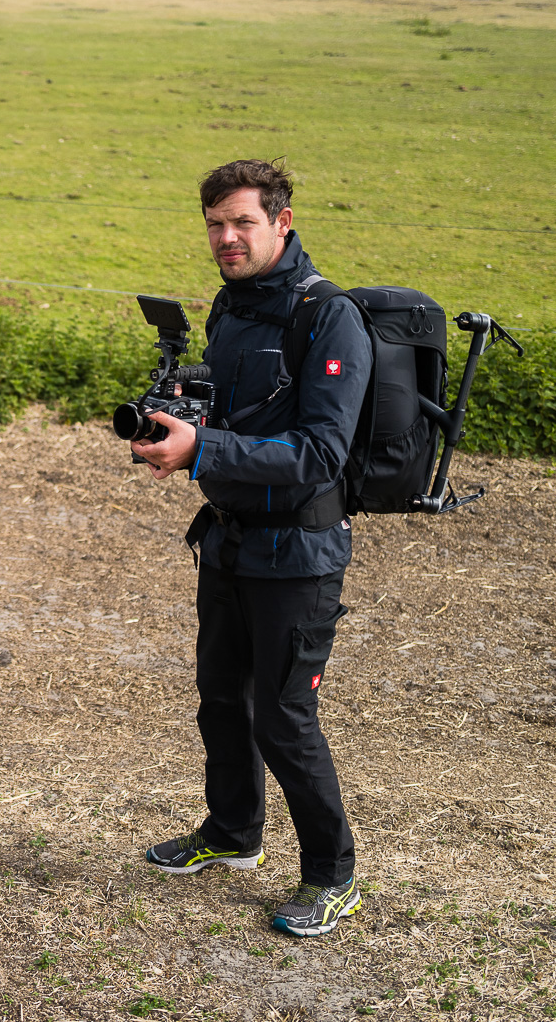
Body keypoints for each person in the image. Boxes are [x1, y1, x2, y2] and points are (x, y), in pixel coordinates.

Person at [128, 158, 370, 937]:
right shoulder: (230, 309)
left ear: (282, 222)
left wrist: (202, 449)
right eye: (214, 224)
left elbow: (318, 454)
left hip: (299, 553)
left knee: (285, 719)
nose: (226, 238)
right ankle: (232, 834)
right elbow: (227, 420)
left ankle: (333, 875)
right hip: (229, 539)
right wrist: (178, 424)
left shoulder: (328, 317)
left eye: (243, 223)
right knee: (220, 699)